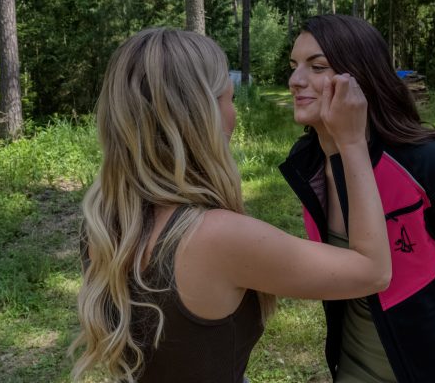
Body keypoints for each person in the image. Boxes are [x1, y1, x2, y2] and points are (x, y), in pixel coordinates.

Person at [70, 28, 391, 383]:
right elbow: (373, 271)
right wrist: (351, 142)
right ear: (202, 115)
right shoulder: (215, 237)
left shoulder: (103, 223)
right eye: (230, 98)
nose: (233, 113)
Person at [280, 14, 435, 383]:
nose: (295, 80)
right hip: (351, 370)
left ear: (361, 78)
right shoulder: (308, 165)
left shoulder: (431, 162)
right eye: (294, 66)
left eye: (317, 67)